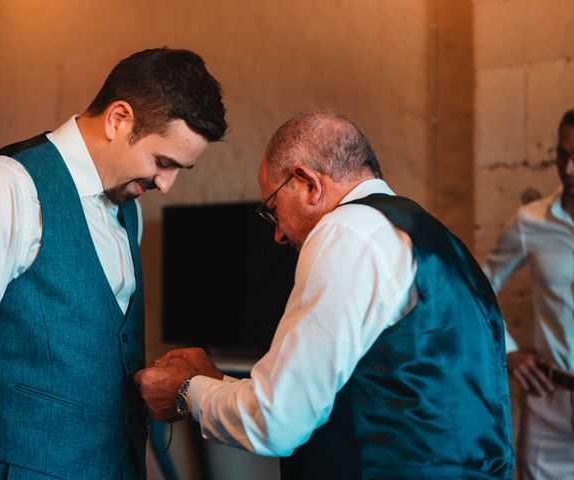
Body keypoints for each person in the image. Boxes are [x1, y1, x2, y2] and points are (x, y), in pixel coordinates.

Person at [134, 111, 515, 479]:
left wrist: (186, 392)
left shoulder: (346, 232)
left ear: (308, 184)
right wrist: (216, 381)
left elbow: (276, 422)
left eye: (272, 209)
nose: (278, 234)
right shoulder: (439, 241)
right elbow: (341, 396)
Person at [0, 47, 226, 480]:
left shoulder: (130, 209)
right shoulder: (4, 188)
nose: (166, 184)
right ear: (119, 119)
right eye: (163, 163)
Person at [482, 109, 574, 480]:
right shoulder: (530, 222)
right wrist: (509, 350)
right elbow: (479, 288)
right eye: (563, 155)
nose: (568, 170)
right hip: (549, 400)